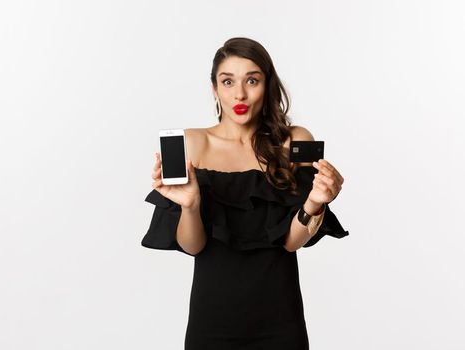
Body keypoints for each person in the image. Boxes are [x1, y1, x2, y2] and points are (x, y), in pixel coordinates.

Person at [143, 37, 349, 349]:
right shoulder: (191, 144)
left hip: (280, 319)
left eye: (251, 80)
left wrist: (315, 203)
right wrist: (190, 205)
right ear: (214, 88)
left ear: (267, 84)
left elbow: (291, 242)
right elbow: (194, 246)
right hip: (212, 319)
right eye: (228, 82)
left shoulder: (295, 141)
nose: (239, 94)